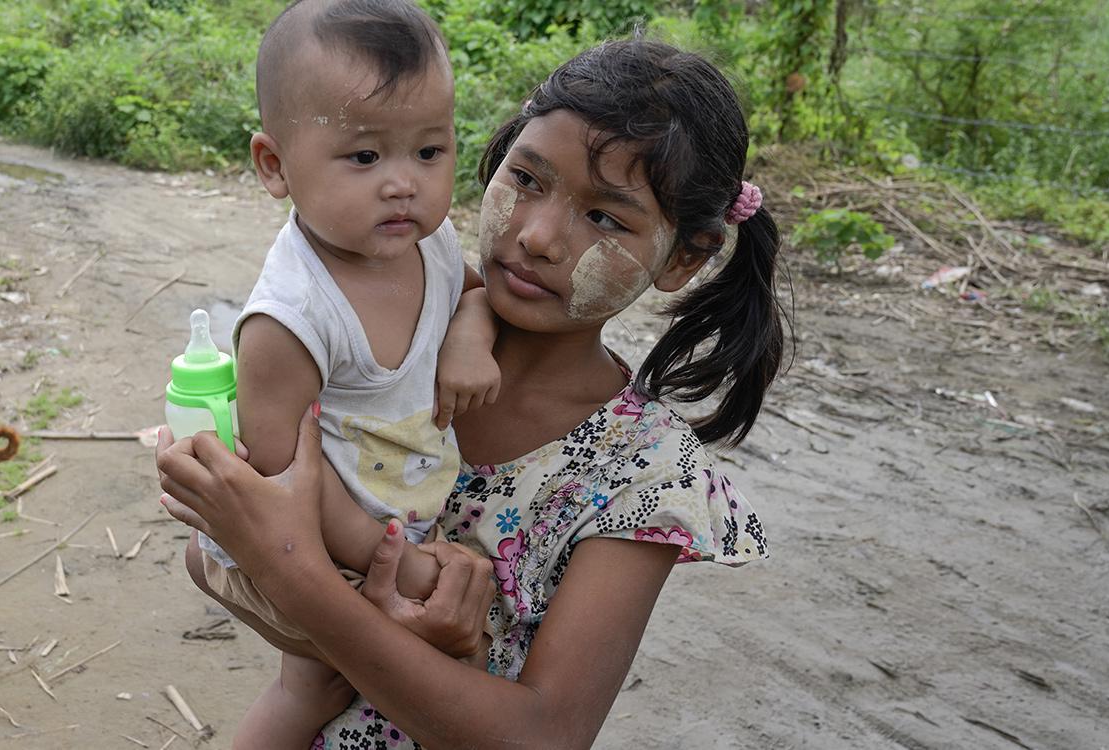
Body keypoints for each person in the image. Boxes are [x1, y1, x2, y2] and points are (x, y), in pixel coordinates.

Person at [159, 37, 787, 749]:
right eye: (527, 178)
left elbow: (543, 737)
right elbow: (214, 550)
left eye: (605, 218)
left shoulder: (644, 474)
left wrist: (296, 573)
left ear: (685, 258)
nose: (539, 235)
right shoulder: (394, 325)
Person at [188, 0, 503, 746]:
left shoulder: (425, 242)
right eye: (365, 157)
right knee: (330, 682)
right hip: (298, 539)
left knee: (389, 675)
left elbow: (477, 292)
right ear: (275, 165)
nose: (404, 185)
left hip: (382, 517)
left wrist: (468, 330)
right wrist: (391, 559)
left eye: (430, 152)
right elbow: (278, 479)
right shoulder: (290, 319)